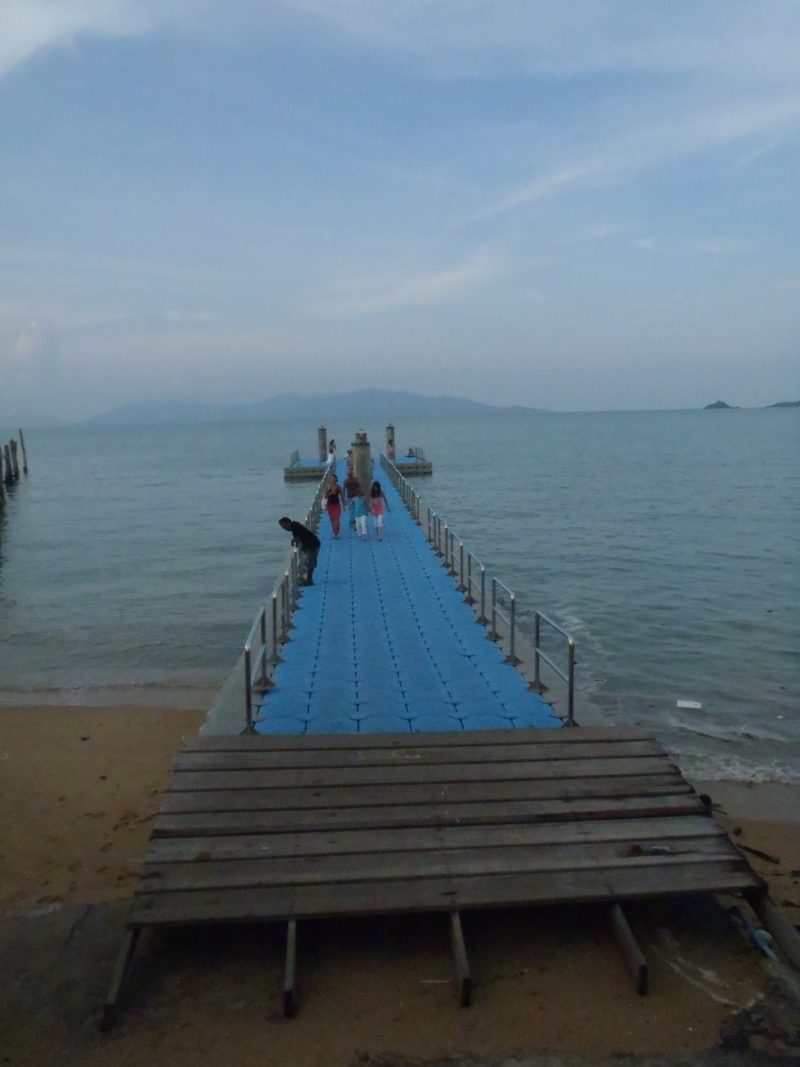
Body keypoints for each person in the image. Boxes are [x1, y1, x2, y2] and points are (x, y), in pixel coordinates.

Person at [278, 516, 320, 585]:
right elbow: (300, 536)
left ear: (288, 523)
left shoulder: (294, 527)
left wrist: (294, 541)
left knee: (310, 563)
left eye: (284, 526)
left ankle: (309, 581)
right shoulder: (294, 526)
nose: (284, 529)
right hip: (310, 544)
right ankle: (308, 579)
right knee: (308, 562)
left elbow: (297, 538)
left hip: (313, 544)